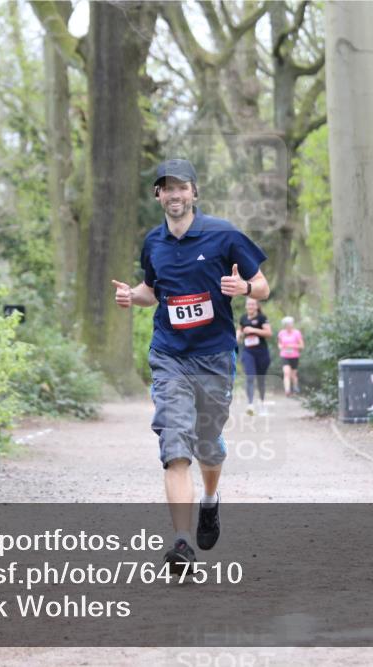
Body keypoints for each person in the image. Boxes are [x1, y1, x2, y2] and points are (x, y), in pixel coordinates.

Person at [111, 158, 270, 573]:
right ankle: (181, 542)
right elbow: (152, 290)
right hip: (169, 356)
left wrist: (245, 287)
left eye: (182, 187)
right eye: (167, 188)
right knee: (174, 445)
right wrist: (133, 295)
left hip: (215, 355)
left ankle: (211, 501)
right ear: (158, 195)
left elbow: (265, 287)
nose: (175, 194)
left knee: (207, 440)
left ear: (194, 192)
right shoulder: (153, 243)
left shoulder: (224, 235)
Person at [236, 297, 272, 416]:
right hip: (248, 352)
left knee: (260, 380)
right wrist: (238, 336)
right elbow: (239, 330)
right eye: (248, 304)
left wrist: (253, 330)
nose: (250, 306)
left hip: (262, 353)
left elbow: (268, 333)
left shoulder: (262, 318)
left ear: (257, 306)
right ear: (246, 306)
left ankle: (262, 405)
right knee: (250, 377)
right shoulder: (243, 318)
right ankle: (250, 405)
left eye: (252, 304)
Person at [277, 316, 304, 397]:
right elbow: (279, 343)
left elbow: (302, 346)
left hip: (294, 356)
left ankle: (295, 387)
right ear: (285, 325)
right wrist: (280, 347)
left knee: (293, 375)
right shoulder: (281, 333)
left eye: (290, 324)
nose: (289, 326)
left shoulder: (297, 333)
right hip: (284, 356)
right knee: (286, 373)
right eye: (287, 324)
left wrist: (292, 346)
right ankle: (287, 390)